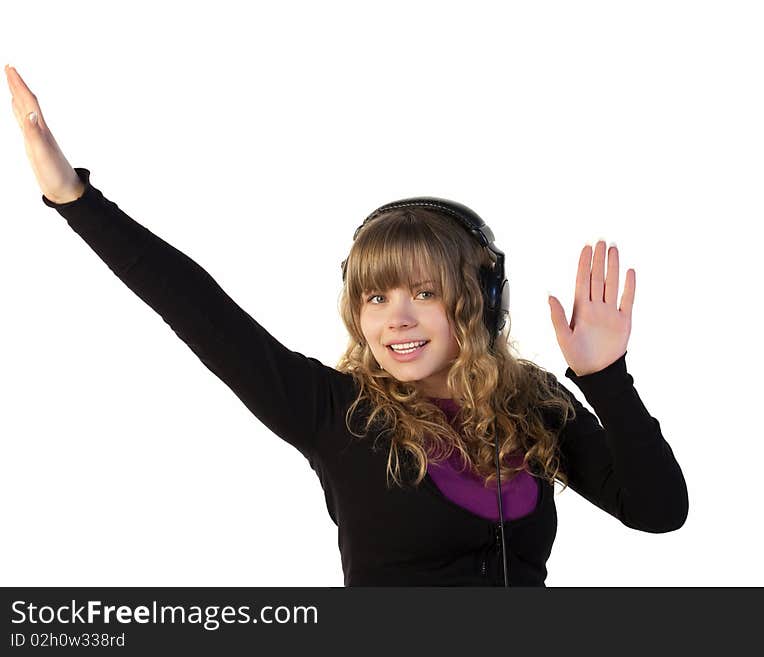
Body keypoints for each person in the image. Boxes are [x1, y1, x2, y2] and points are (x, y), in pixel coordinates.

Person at [6, 64, 688, 586]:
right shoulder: (335, 411)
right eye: (375, 296)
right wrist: (76, 200)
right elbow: (198, 308)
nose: (395, 318)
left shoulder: (531, 401)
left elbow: (657, 510)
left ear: (479, 299)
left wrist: (606, 378)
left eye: (424, 291)